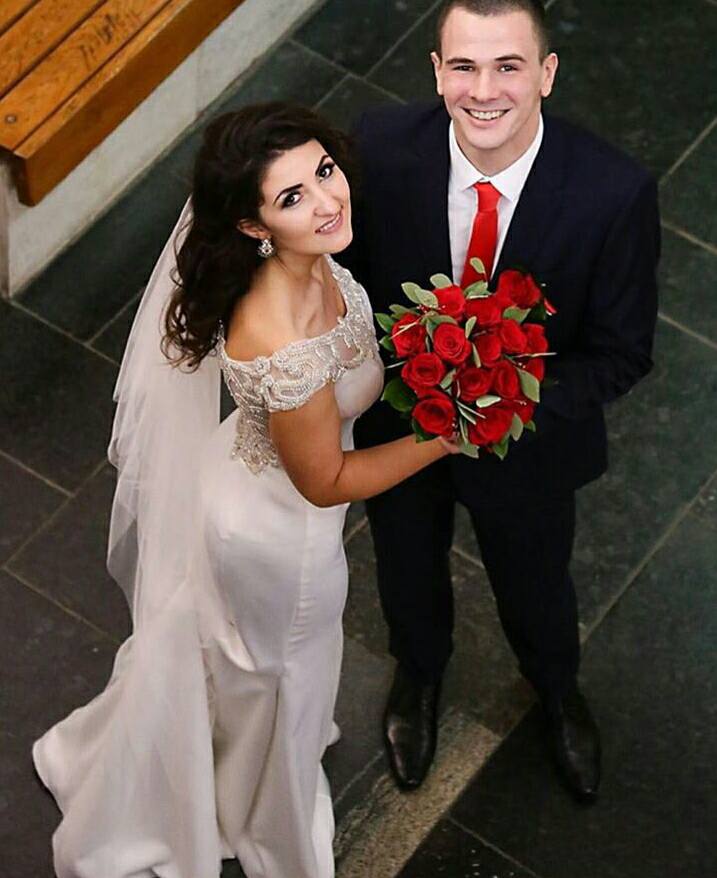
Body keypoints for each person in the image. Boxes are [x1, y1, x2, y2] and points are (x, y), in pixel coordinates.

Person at [32, 103, 456, 878]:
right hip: (279, 535)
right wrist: (446, 434)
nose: (326, 201)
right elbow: (327, 482)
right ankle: (269, 825)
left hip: (249, 476)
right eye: (291, 197)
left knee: (258, 665)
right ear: (255, 226)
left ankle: (230, 773)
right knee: (285, 669)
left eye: (322, 171)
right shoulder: (282, 340)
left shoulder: (310, 258)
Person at [340, 0, 659, 803]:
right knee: (405, 567)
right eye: (463, 66)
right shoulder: (378, 147)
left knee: (536, 582)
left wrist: (507, 401)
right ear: (436, 71)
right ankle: (418, 675)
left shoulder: (612, 192)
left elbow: (621, 352)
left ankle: (554, 688)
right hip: (398, 429)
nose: (483, 91)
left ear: (546, 73)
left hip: (529, 446)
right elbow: (343, 282)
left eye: (507, 66)